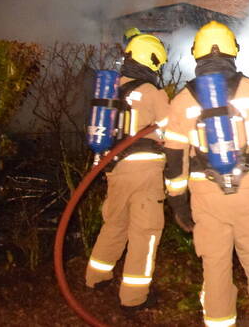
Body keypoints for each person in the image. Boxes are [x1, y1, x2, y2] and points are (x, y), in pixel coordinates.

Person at [164, 21, 249, 327]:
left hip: (207, 198)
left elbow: (174, 156)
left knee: (216, 269)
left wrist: (177, 201)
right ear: (233, 51)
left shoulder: (181, 102)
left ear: (196, 54)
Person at [85, 31, 171, 313]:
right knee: (144, 233)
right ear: (153, 60)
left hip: (115, 169)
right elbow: (172, 132)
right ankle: (134, 298)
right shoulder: (152, 92)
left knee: (114, 224)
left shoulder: (112, 90)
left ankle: (96, 277)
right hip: (145, 172)